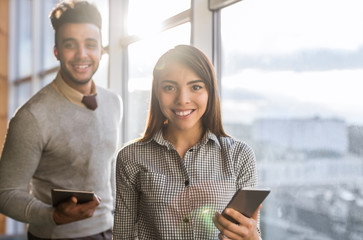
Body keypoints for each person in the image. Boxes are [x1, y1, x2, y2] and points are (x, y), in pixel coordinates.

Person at [0, 1, 122, 239]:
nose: (81, 55)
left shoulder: (114, 103)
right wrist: (53, 215)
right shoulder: (31, 117)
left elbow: (108, 169)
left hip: (108, 232)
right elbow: (5, 193)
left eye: (90, 44)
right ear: (56, 51)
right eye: (70, 45)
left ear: (101, 50)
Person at [113, 45, 262, 240]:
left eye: (195, 87)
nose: (182, 99)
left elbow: (249, 231)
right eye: (169, 87)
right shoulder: (130, 157)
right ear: (157, 93)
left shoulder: (240, 156)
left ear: (209, 91)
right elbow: (122, 236)